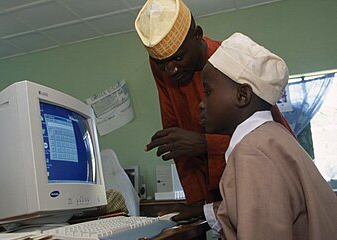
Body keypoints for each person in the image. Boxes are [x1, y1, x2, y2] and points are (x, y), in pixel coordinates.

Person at [134, 0, 295, 220]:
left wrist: (204, 143)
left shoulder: (229, 61)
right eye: (161, 63)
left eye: (179, 58)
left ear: (197, 35)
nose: (170, 71)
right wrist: (198, 206)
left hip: (261, 182)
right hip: (218, 195)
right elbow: (177, 141)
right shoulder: (164, 68)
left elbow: (270, 140)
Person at [200, 32, 337, 239]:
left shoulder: (252, 153)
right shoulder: (272, 137)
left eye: (208, 92)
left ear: (242, 95)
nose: (201, 103)